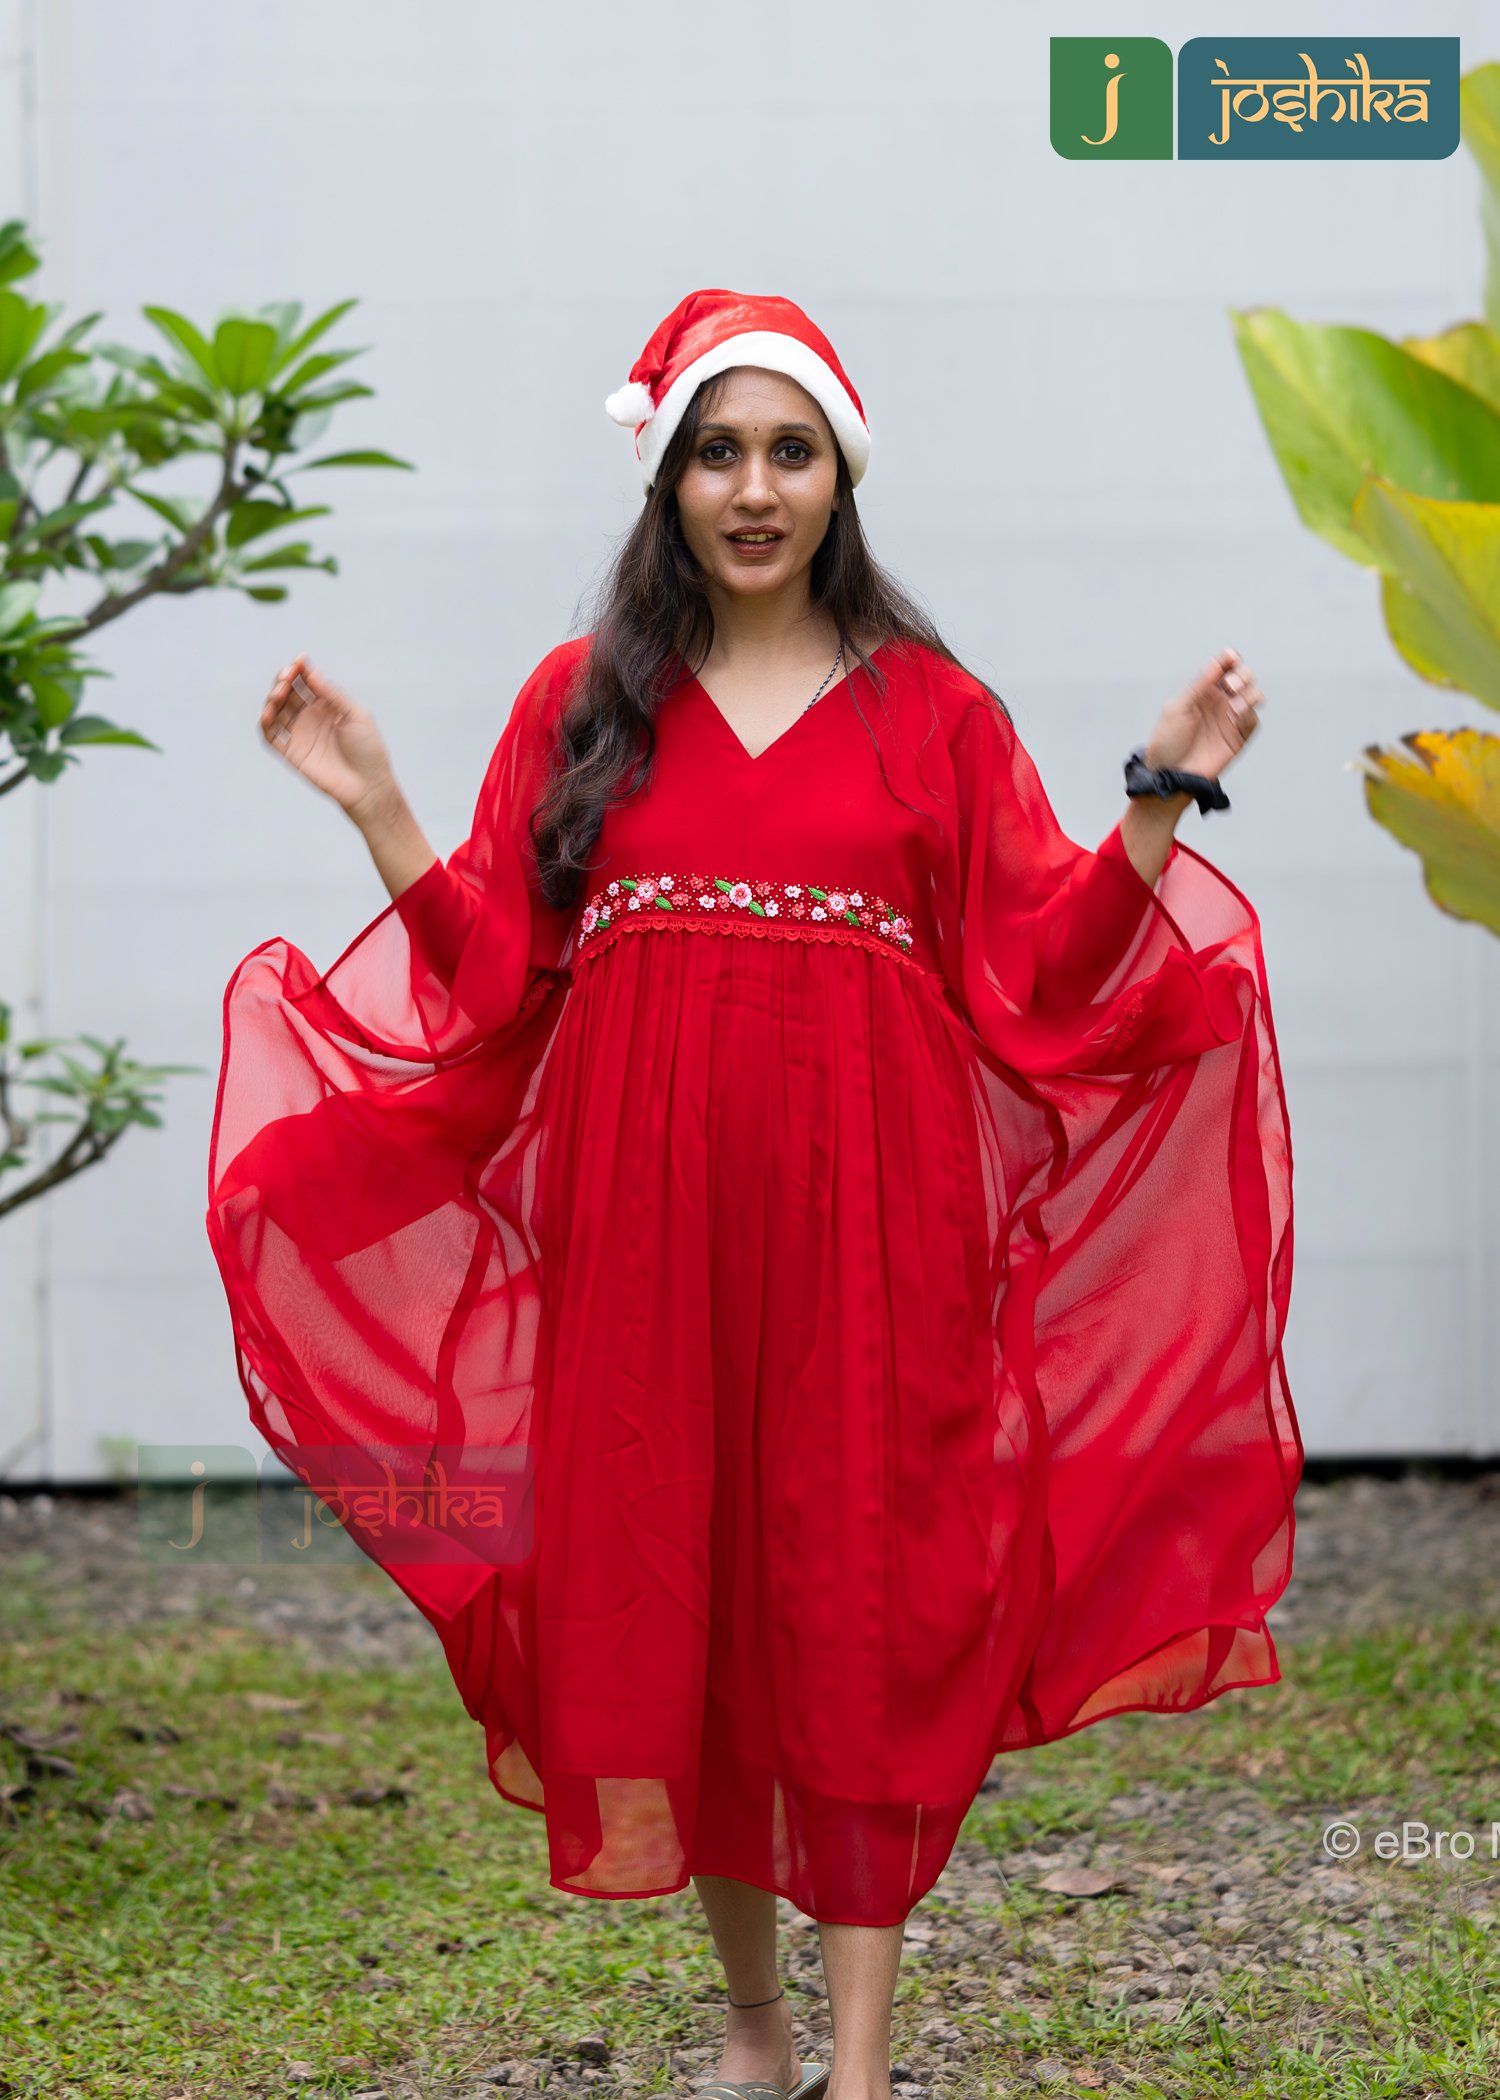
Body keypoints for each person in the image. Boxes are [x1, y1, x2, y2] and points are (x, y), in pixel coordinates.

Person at [206, 287, 1299, 2100]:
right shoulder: (585, 705)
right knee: (685, 1608)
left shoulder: (936, 714)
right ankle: (754, 2026)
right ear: (668, 481)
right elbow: (494, 979)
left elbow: (1045, 967)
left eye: (792, 452)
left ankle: (858, 2065)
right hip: (646, 1241)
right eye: (719, 453)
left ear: (841, 479)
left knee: (858, 1611)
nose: (756, 489)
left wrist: (1159, 798)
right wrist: (379, 805)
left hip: (878, 1237)